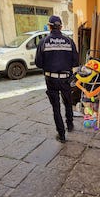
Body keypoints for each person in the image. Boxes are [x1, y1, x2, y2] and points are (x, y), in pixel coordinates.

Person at [35, 15, 79, 143]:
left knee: (56, 107)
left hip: (51, 79)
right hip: (66, 78)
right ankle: (70, 125)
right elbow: (75, 62)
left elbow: (38, 63)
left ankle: (62, 135)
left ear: (49, 26)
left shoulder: (43, 42)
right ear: (61, 26)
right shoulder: (69, 41)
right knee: (68, 102)